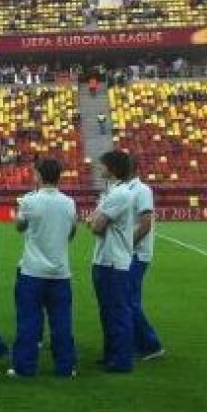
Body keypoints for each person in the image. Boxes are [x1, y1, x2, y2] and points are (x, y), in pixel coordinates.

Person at [10, 158, 78, 377]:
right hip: (60, 271)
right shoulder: (69, 202)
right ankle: (65, 367)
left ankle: (24, 367)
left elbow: (19, 227)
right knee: (62, 322)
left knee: (29, 321)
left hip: (33, 271)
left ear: (38, 175)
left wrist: (18, 212)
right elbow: (72, 232)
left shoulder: (30, 201)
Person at [90, 150, 137, 373]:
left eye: (104, 165)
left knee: (117, 311)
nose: (100, 168)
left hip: (114, 262)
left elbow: (96, 225)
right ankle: (112, 354)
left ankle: (121, 359)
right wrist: (94, 221)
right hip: (107, 260)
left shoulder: (119, 195)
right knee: (108, 311)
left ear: (113, 168)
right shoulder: (113, 192)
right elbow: (94, 222)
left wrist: (94, 221)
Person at [128, 159, 164, 361]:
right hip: (131, 253)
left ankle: (151, 345)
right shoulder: (129, 189)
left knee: (129, 300)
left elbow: (145, 224)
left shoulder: (141, 190)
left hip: (137, 254)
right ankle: (137, 344)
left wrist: (126, 246)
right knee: (129, 300)